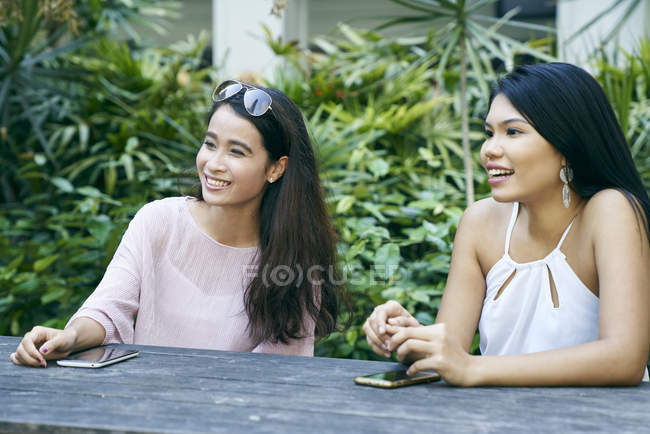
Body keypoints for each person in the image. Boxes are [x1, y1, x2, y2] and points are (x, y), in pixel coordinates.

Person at [11, 81, 344, 367]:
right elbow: (108, 309)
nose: (213, 164)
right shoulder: (158, 221)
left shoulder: (294, 258)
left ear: (276, 168)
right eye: (210, 144)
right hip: (140, 408)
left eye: (237, 152)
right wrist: (68, 337)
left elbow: (277, 374)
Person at [363, 62, 650, 386]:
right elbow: (451, 355)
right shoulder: (480, 221)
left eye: (512, 132)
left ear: (566, 146)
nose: (489, 150)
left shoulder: (610, 211)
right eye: (489, 133)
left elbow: (625, 358)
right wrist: (411, 337)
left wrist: (474, 369)